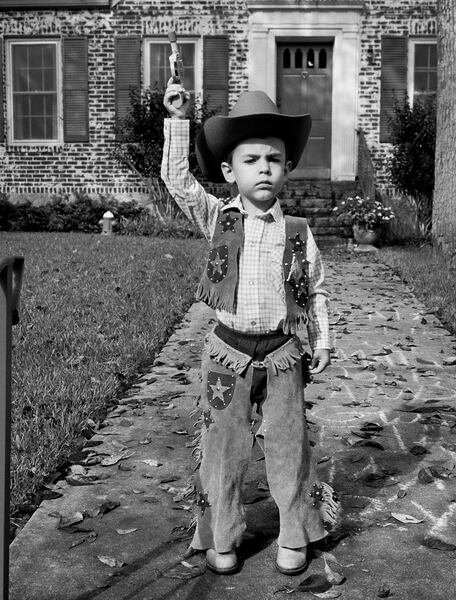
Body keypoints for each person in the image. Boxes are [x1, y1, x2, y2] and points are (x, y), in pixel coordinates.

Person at [161, 81, 339, 576]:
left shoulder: (298, 232)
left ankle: (294, 532)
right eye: (251, 159)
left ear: (287, 167)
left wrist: (321, 340)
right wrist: (179, 121)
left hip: (283, 356)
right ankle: (221, 533)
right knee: (222, 443)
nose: (263, 167)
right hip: (225, 357)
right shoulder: (220, 217)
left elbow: (317, 289)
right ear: (228, 170)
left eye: (274, 159)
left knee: (289, 443)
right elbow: (177, 181)